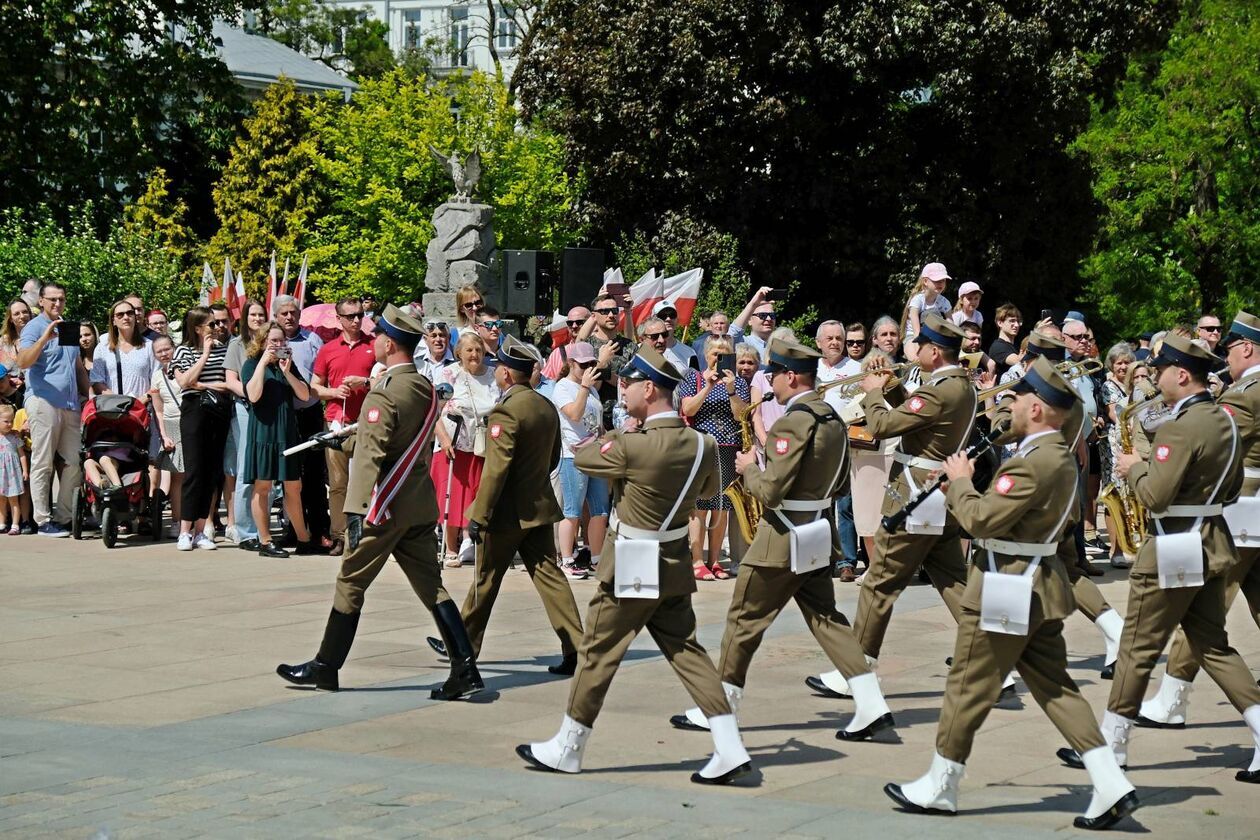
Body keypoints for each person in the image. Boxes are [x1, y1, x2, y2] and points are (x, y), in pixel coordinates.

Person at [885, 357, 1138, 830]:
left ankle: (942, 784)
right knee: (1057, 688)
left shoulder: (1030, 463)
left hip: (1006, 585)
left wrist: (960, 482)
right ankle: (1110, 782)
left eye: (1019, 397)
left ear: (1037, 408)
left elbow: (981, 520)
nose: (1011, 403)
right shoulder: (1058, 456)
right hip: (1038, 585)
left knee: (966, 685)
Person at [518, 345, 754, 785]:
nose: (622, 392)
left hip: (631, 562)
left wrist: (621, 434)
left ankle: (569, 747)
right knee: (687, 650)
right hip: (674, 558)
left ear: (651, 389)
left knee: (597, 652)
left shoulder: (631, 443)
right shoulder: (701, 444)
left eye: (628, 386)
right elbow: (707, 487)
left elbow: (585, 457)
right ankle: (730, 745)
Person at [1056, 333, 1260, 784]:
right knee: (1213, 645)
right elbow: (1229, 489)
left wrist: (1135, 467)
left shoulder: (1181, 426)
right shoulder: (1224, 419)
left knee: (1135, 648)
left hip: (1173, 544)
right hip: (1212, 540)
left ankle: (1113, 744)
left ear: (1181, 374)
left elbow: (1155, 496)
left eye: (1160, 371)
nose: (1154, 377)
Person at [669, 336, 895, 740]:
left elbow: (771, 490)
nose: (769, 379)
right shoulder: (830, 417)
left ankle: (719, 709)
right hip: (816, 533)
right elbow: (841, 483)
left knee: (742, 621)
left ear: (792, 377)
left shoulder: (792, 422)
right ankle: (872, 703)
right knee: (827, 620)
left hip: (782, 535)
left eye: (774, 373)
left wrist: (746, 468)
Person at [276, 304, 483, 701]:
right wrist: (344, 440)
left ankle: (325, 666)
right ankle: (465, 667)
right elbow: (391, 440)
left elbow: (371, 456)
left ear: (389, 343)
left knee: (350, 581)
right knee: (431, 586)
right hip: (418, 504)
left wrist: (353, 511)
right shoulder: (422, 385)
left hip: (383, 508)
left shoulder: (383, 393)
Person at [807, 314, 975, 697]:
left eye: (920, 347)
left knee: (879, 584)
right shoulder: (955, 384)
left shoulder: (938, 390)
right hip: (939, 494)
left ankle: (858, 670)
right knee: (952, 580)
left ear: (934, 351)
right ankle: (997, 662)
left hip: (915, 495)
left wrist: (871, 390)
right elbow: (914, 419)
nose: (913, 351)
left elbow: (881, 427)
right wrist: (893, 385)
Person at [425, 335, 585, 675]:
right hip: (538, 507)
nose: (496, 372)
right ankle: (576, 646)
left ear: (509, 375)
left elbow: (496, 471)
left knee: (485, 581)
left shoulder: (506, 410)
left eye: (500, 368)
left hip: (506, 514)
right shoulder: (544, 405)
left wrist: (479, 515)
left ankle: (463, 646)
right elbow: (553, 457)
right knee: (551, 579)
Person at [1138, 312, 1260, 731]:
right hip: (1247, 511)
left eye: (1228, 348)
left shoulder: (1245, 395)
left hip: (1240, 514)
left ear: (1246, 348)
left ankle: (1172, 698)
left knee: (1202, 617)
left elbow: (1212, 445)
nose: (1226, 357)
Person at [16, 282, 87, 537]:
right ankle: (43, 521)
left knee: (74, 462)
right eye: (53, 299)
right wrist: (45, 336)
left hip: (70, 404)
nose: (58, 304)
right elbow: (23, 361)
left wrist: (89, 397)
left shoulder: (67, 326)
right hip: (43, 401)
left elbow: (77, 366)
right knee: (43, 462)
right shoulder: (33, 327)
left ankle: (64, 517)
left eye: (61, 299)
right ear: (41, 301)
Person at [243, 321, 315, 557]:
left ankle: (303, 539)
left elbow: (304, 394)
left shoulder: (287, 366)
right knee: (262, 486)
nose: (278, 344)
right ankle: (265, 541)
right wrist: (263, 364)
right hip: (263, 433)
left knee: (294, 486)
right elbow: (253, 396)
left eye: (281, 340)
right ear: (262, 342)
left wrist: (287, 372)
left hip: (286, 434)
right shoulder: (252, 364)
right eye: (273, 340)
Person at [679, 334, 749, 580]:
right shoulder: (694, 378)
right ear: (706, 355)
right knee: (699, 506)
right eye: (715, 354)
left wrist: (730, 389)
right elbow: (687, 409)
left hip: (729, 448)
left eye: (725, 355)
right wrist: (708, 385)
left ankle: (715, 560)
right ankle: (697, 560)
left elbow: (742, 415)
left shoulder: (738, 383)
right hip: (702, 448)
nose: (719, 359)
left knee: (722, 507)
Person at [310, 297, 375, 557]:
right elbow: (314, 387)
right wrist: (335, 391)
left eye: (359, 314)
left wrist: (366, 382)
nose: (357, 320)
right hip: (337, 421)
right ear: (339, 320)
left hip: (367, 423)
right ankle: (339, 536)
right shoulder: (328, 349)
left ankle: (367, 534)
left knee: (367, 481)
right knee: (338, 484)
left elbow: (387, 380)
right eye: (350, 316)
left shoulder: (374, 345)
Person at [432, 332, 500, 567]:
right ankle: (451, 547)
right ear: (458, 352)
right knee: (453, 494)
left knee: (478, 494)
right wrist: (444, 440)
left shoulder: (493, 375)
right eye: (469, 350)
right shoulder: (449, 374)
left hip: (483, 444)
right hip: (454, 441)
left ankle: (471, 541)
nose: (475, 354)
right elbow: (433, 411)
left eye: (479, 350)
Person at [171, 306, 231, 551]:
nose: (217, 328)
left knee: (212, 472)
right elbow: (184, 382)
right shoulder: (183, 350)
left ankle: (200, 530)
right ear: (197, 328)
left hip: (218, 410)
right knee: (194, 470)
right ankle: (184, 531)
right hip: (194, 410)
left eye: (218, 324)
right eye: (211, 325)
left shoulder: (225, 349)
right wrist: (205, 355)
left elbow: (228, 382)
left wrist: (203, 383)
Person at [550, 341, 610, 580]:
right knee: (572, 510)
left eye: (591, 364)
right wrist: (585, 387)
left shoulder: (593, 389)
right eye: (583, 364)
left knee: (600, 510)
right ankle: (566, 559)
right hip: (572, 456)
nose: (587, 368)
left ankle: (597, 558)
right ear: (571, 364)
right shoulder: (563, 387)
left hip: (595, 454)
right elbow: (574, 414)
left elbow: (596, 421)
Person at [273, 295, 327, 549]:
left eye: (293, 312)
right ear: (276, 316)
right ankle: (293, 528)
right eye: (284, 313)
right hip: (283, 416)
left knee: (315, 474)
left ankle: (319, 529)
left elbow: (320, 377)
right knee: (288, 477)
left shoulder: (312, 339)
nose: (289, 317)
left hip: (310, 412)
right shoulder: (270, 342)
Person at [224, 300, 269, 551]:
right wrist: (249, 393)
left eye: (261, 314)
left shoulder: (272, 342)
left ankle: (263, 528)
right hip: (245, 408)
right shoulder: (236, 345)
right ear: (244, 317)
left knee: (266, 471)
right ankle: (244, 531)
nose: (257, 318)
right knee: (246, 468)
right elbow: (230, 379)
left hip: (268, 411)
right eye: (252, 314)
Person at [1100, 342, 1137, 567]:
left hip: (1130, 445)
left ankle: (1127, 546)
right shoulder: (1108, 386)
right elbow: (1114, 413)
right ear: (1112, 365)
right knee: (1113, 496)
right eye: (1119, 362)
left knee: (1128, 497)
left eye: (1127, 362)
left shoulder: (1133, 385)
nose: (1123, 366)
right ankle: (1115, 550)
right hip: (1114, 446)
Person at [149, 334, 184, 532]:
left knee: (193, 476)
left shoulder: (185, 368)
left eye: (167, 349)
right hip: (171, 426)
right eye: (159, 351)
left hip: (191, 423)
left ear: (174, 347)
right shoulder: (156, 377)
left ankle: (195, 523)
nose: (164, 354)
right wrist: (164, 435)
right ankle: (176, 522)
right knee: (177, 477)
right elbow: (158, 411)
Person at [689, 287, 773, 367]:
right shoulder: (741, 342)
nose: (768, 319)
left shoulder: (778, 346)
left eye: (772, 315)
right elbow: (735, 330)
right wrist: (753, 304)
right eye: (762, 315)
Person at [90, 299, 155, 398]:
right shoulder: (102, 348)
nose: (126, 317)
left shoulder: (149, 346)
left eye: (130, 313)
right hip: (113, 408)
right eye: (120, 315)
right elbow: (97, 380)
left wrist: (141, 401)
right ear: (113, 321)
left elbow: (158, 380)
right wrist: (119, 401)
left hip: (142, 408)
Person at [902, 263, 952, 359]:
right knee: (916, 358)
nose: (941, 283)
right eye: (937, 280)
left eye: (943, 280)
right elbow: (917, 332)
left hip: (936, 337)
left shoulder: (944, 302)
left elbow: (951, 328)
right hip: (913, 337)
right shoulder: (917, 301)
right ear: (925, 281)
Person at [540, 305, 592, 380]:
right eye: (570, 323)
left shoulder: (601, 349)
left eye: (579, 322)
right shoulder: (557, 353)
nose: (574, 326)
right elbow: (546, 383)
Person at [0, 403, 28, 535]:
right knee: (1, 500)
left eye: (11, 421)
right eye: (6, 421)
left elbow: (22, 455)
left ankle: (15, 524)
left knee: (13, 500)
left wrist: (25, 470)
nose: (10, 424)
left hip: (12, 473)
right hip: (1, 473)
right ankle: (2, 523)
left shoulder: (15, 437)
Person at [650, 301, 697, 371]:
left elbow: (696, 380)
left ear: (677, 319)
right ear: (653, 320)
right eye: (663, 315)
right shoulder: (641, 350)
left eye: (672, 315)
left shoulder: (690, 353)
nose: (668, 319)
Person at [988, 303, 1023, 377]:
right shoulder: (997, 347)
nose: (1016, 325)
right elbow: (1021, 362)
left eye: (1018, 321)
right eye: (1012, 321)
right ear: (1000, 323)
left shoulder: (1015, 346)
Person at [1, 298, 33, 371]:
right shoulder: (3, 342)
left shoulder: (42, 336)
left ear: (30, 314)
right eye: (16, 314)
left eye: (25, 312)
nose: (22, 316)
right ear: (11, 319)